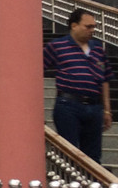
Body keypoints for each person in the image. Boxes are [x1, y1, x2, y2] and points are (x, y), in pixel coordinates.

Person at [43, 8, 113, 162]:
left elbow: (105, 79)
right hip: (68, 104)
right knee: (70, 151)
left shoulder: (98, 49)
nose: (92, 30)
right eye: (88, 26)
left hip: (94, 106)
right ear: (74, 26)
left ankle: (91, 185)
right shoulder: (58, 46)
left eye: (94, 27)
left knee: (93, 155)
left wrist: (107, 110)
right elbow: (37, 69)